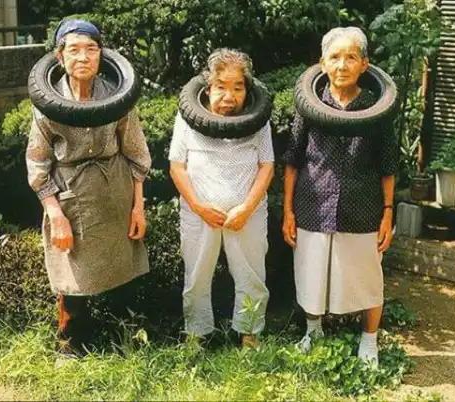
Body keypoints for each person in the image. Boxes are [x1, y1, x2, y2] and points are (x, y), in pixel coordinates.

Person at [25, 19, 151, 355]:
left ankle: (128, 341)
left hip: (115, 190)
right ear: (60, 57)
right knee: (72, 278)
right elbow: (38, 165)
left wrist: (138, 207)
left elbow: (137, 154)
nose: (83, 57)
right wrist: (56, 216)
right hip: (70, 194)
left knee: (124, 270)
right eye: (74, 50)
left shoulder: (118, 97)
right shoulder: (47, 104)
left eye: (91, 49)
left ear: (101, 55)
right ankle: (71, 346)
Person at [281, 27, 398, 366]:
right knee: (310, 271)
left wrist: (388, 212)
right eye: (334, 57)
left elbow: (388, 166)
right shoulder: (309, 105)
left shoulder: (377, 109)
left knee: (368, 277)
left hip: (362, 208)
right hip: (312, 206)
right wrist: (288, 211)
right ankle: (313, 330)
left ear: (364, 64)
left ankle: (369, 342)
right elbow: (293, 160)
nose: (342, 65)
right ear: (322, 63)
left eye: (350, 57)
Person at [169, 48, 274, 347]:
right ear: (208, 87)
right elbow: (177, 166)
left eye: (238, 88)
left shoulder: (259, 119)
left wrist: (247, 208)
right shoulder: (187, 118)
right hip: (199, 213)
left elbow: (267, 166)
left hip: (247, 213)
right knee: (196, 277)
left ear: (247, 90)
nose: (229, 96)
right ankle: (196, 334)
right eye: (221, 87)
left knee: (252, 275)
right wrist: (199, 206)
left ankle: (249, 334)